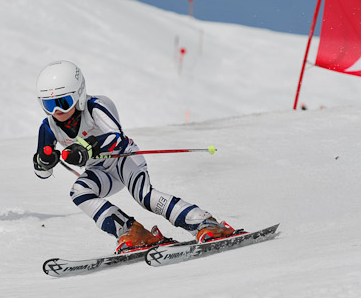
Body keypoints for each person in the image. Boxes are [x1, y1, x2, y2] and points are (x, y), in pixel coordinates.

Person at [32, 60, 235, 253]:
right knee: (79, 191)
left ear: (79, 94)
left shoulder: (97, 106)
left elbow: (116, 137)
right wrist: (43, 162)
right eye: (49, 105)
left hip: (124, 159)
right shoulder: (48, 127)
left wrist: (85, 148)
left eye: (64, 102)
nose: (57, 111)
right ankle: (132, 232)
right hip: (100, 171)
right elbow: (42, 173)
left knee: (145, 196)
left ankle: (205, 223)